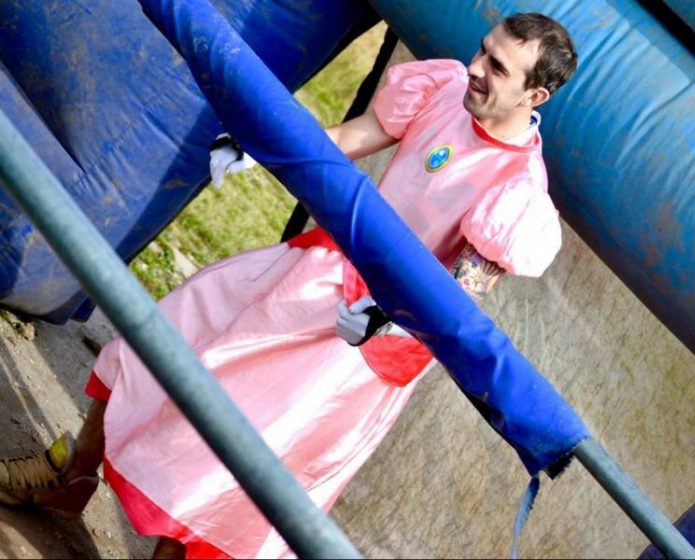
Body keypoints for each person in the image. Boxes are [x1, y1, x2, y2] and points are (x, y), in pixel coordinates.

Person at [0, 12, 577, 559]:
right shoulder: (446, 88)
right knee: (163, 338)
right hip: (318, 270)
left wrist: (386, 317)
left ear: (535, 96)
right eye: (484, 49)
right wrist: (261, 148)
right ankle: (72, 474)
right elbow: (358, 134)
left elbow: (460, 294)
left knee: (229, 466)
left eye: (498, 67)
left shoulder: (519, 192)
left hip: (360, 349)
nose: (476, 65)